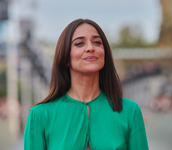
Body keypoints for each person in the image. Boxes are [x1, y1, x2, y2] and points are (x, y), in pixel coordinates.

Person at [24, 19, 149, 150]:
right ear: (65, 57)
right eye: (79, 43)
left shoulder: (130, 111)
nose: (90, 48)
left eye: (97, 42)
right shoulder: (39, 115)